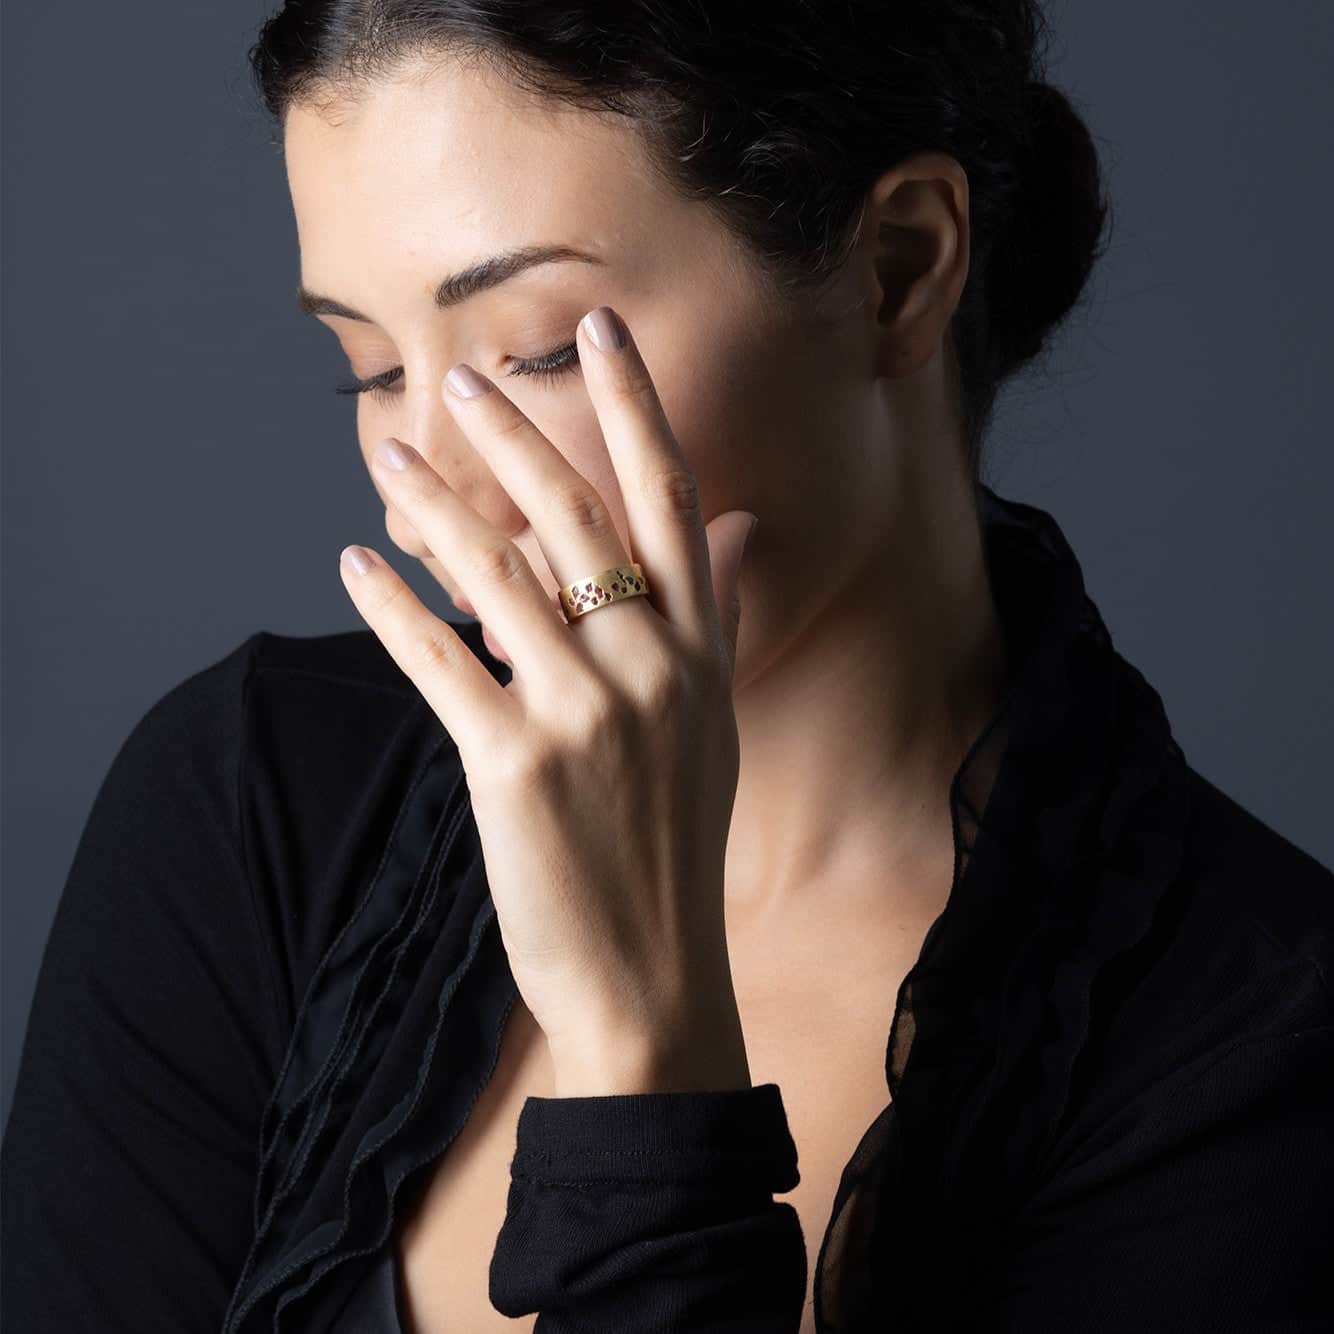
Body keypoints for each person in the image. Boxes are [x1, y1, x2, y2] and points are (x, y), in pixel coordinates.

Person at [4, 2, 1332, 1331]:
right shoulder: (254, 808)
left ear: (896, 267)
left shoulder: (1256, 1043)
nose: (430, 503)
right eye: (370, 368)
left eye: (530, 348)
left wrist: (639, 1047)